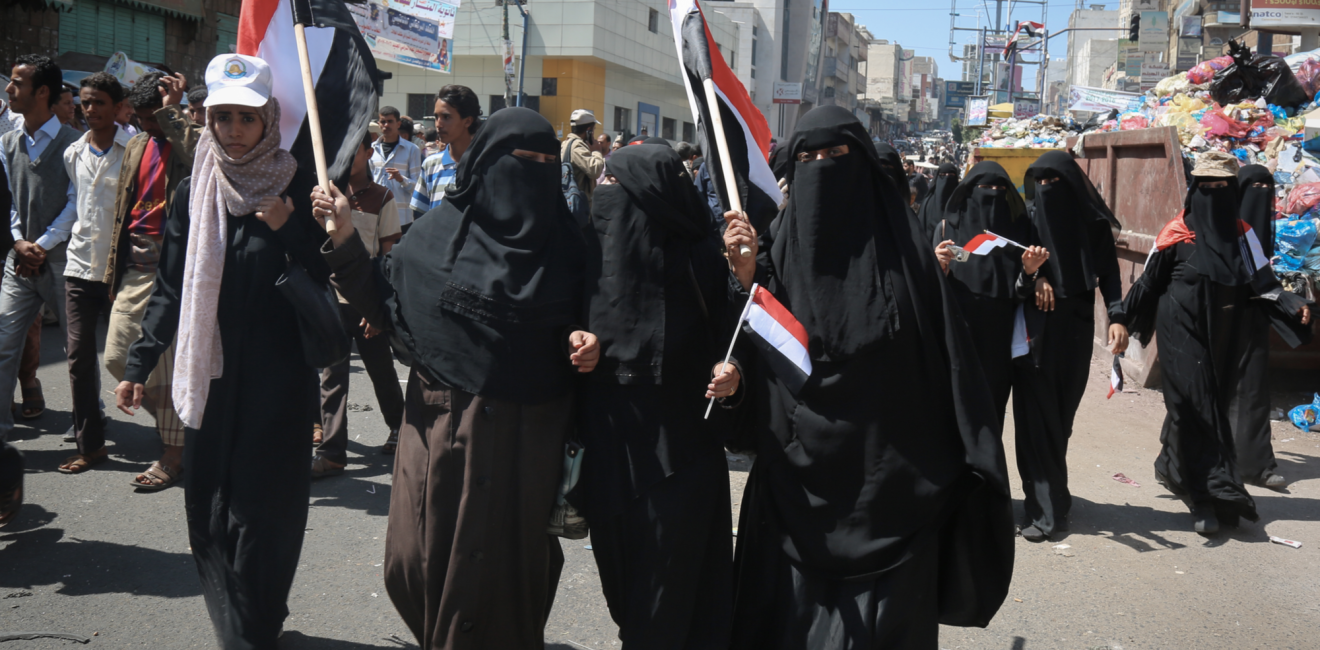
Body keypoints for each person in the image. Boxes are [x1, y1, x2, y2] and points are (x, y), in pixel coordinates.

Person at [722, 105, 1013, 650]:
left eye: (836, 155)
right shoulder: (779, 252)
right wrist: (745, 280)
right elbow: (756, 356)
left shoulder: (910, 263)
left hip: (891, 497)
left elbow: (946, 370)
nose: (822, 168)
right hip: (795, 491)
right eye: (807, 158)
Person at [312, 106, 599, 650]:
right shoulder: (434, 239)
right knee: (415, 560)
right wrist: (346, 235)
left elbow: (592, 319)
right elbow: (384, 299)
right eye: (518, 160)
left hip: (528, 439)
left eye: (543, 161)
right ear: (485, 163)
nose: (530, 172)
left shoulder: (571, 247)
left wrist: (586, 340)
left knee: (511, 581)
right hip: (440, 431)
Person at [115, 53, 330, 645]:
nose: (234, 131)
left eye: (247, 118)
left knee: (266, 513)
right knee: (210, 510)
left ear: (270, 120)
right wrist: (140, 361)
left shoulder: (299, 187)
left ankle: (255, 623)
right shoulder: (195, 190)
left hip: (279, 381)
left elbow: (335, 273)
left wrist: (292, 226)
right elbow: (172, 284)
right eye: (223, 117)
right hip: (208, 378)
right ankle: (240, 620)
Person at [580, 144, 745, 647]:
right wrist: (572, 337)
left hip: (681, 451)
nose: (603, 194)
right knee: (625, 582)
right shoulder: (588, 252)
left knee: (668, 592)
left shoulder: (703, 261)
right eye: (602, 182)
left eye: (615, 184)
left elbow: (736, 339)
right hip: (610, 448)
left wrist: (732, 370)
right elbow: (557, 318)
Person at [1122, 152, 1312, 534]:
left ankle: (1176, 470)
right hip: (1179, 332)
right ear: (1194, 192)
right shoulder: (1175, 233)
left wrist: (1292, 302)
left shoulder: (1243, 236)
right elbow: (1148, 284)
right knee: (1198, 408)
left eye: (1221, 188)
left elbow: (1264, 280)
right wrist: (1120, 321)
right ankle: (1207, 497)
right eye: (1204, 188)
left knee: (1212, 406)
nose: (1212, 195)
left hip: (1223, 335)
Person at [1011, 151, 1128, 542]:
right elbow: (1013, 273)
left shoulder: (1091, 225)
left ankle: (1055, 500)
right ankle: (1041, 508)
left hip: (1076, 330)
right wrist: (1035, 277)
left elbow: (1109, 275)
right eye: (1039, 183)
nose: (1046, 190)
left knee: (1060, 420)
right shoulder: (1025, 221)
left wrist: (1117, 317)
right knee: (1033, 420)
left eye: (1054, 182)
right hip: (1034, 331)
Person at [103, 71, 199, 489]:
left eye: (155, 117)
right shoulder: (138, 143)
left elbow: (201, 156)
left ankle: (174, 453)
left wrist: (173, 112)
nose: (149, 125)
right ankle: (177, 426)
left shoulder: (188, 137)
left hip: (179, 266)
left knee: (173, 361)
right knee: (117, 356)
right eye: (143, 118)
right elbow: (124, 209)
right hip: (137, 266)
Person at [0, 55, 79, 453]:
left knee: (75, 348)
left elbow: (75, 203)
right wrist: (18, 242)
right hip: (19, 261)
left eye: (17, 83)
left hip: (64, 261)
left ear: (42, 91)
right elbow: (11, 200)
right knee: (3, 341)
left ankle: (88, 421)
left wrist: (42, 245)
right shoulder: (8, 141)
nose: (10, 90)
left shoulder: (72, 145)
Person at [312, 132, 403, 474]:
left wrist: (380, 307)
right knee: (332, 377)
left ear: (369, 152)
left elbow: (388, 258)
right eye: (344, 151)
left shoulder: (382, 197)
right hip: (330, 301)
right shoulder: (324, 196)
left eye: (357, 151)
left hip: (367, 302)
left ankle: (400, 426)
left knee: (382, 372)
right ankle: (333, 452)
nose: (350, 158)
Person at [58, 72, 130, 473]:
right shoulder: (74, 153)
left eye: (99, 102)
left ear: (117, 108)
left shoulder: (133, 149)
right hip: (79, 267)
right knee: (78, 358)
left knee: (133, 357)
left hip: (121, 271)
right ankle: (91, 446)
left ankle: (174, 439)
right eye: (85, 102)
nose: (90, 110)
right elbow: (78, 205)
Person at [933, 161, 1039, 423]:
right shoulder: (947, 229)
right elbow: (932, 289)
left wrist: (1029, 273)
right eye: (985, 187)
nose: (992, 193)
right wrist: (937, 265)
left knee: (992, 408)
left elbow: (1018, 294)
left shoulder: (1017, 234)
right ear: (970, 190)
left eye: (999, 188)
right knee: (954, 404)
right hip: (958, 330)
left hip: (998, 335)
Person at [1233, 165, 1289, 489]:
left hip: (1254, 314)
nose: (1260, 193)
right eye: (1253, 186)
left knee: (1254, 389)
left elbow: (1264, 277)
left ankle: (1258, 466)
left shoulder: (1260, 238)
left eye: (1265, 187)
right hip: (1221, 317)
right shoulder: (1224, 229)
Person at [409, 85, 479, 218]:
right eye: (436, 117)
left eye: (446, 117)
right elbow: (420, 217)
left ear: (468, 121)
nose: (438, 124)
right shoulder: (431, 165)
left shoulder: (487, 164)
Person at [372, 106, 422, 229]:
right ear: (379, 124)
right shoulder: (371, 150)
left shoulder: (412, 150)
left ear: (398, 124)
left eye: (390, 121)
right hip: (375, 215)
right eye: (383, 122)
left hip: (401, 217)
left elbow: (418, 187)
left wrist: (401, 179)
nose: (386, 125)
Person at [562, 108, 605, 205]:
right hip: (579, 203)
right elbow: (595, 171)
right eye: (593, 130)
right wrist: (597, 152)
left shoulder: (565, 143)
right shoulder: (577, 146)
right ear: (588, 130)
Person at [918, 162, 959, 240]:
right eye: (943, 175)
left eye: (951, 175)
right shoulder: (927, 202)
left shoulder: (961, 202)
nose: (947, 178)